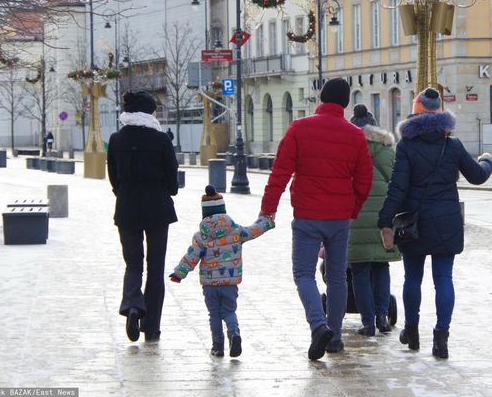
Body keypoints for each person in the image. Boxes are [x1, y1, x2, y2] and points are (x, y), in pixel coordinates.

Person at [260, 78, 373, 360]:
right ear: (345, 103)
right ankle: (334, 337)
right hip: (339, 217)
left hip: (308, 215)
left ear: (321, 98)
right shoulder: (355, 135)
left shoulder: (300, 128)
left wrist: (268, 208)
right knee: (336, 278)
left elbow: (280, 172)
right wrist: (353, 210)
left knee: (303, 274)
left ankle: (317, 324)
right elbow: (364, 180)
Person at [377, 87, 492, 359]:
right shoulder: (452, 146)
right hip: (446, 221)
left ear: (415, 115)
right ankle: (441, 339)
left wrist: (385, 220)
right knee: (444, 279)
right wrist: (487, 161)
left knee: (412, 279)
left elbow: (398, 187)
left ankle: (412, 332)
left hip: (414, 223)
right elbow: (477, 176)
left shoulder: (405, 147)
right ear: (441, 116)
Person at [169, 185, 274, 358]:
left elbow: (191, 256)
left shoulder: (200, 236)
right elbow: (254, 230)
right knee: (229, 312)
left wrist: (179, 274)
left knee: (214, 314)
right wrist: (266, 221)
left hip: (210, 285)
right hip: (229, 284)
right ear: (223, 210)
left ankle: (218, 347)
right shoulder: (236, 230)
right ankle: (234, 334)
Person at [107, 90, 179, 343]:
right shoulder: (160, 140)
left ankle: (133, 306)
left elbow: (113, 178)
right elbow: (173, 182)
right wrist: (166, 189)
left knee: (133, 263)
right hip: (158, 209)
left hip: (126, 208)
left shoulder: (116, 139)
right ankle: (151, 326)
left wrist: (125, 193)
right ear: (149, 113)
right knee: (155, 267)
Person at [347, 104, 401, 337]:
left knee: (359, 270)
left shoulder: (346, 148)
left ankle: (367, 323)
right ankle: (382, 316)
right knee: (381, 266)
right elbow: (396, 183)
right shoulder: (388, 149)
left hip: (355, 215)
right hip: (383, 217)